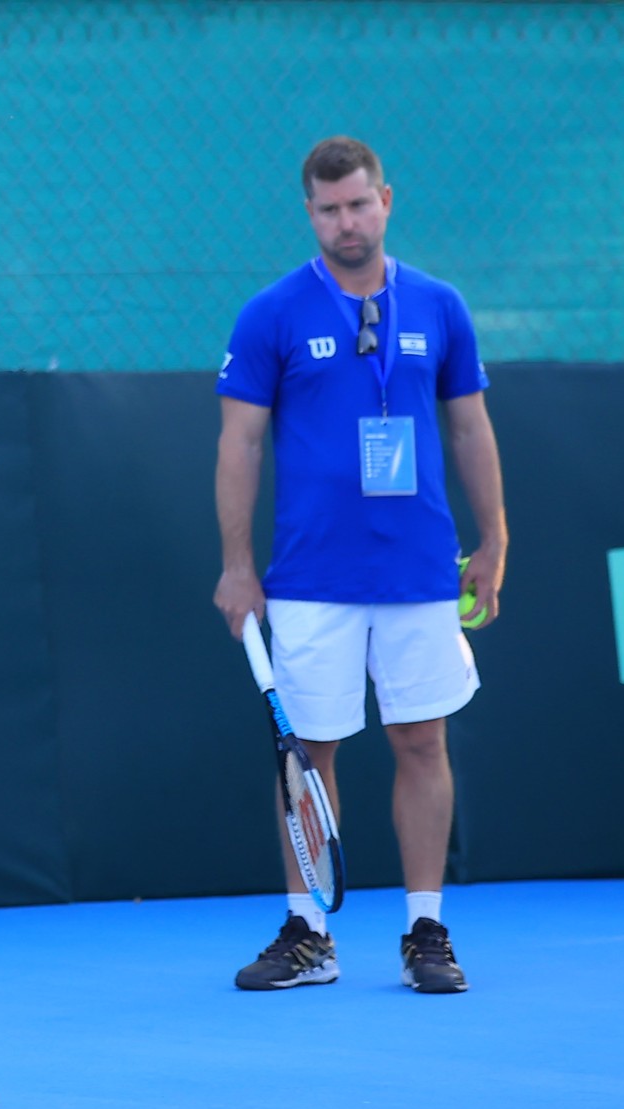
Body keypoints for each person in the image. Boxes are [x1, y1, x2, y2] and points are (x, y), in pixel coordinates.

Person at [211, 136, 508, 996]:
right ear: (312, 213)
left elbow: (469, 428)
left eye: (359, 203)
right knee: (310, 751)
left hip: (420, 572)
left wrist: (494, 539)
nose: (347, 220)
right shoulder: (272, 314)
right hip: (309, 579)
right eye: (330, 208)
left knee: (422, 741)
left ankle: (427, 927)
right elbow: (240, 443)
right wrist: (238, 565)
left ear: (386, 199)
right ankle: (311, 934)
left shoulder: (441, 306)